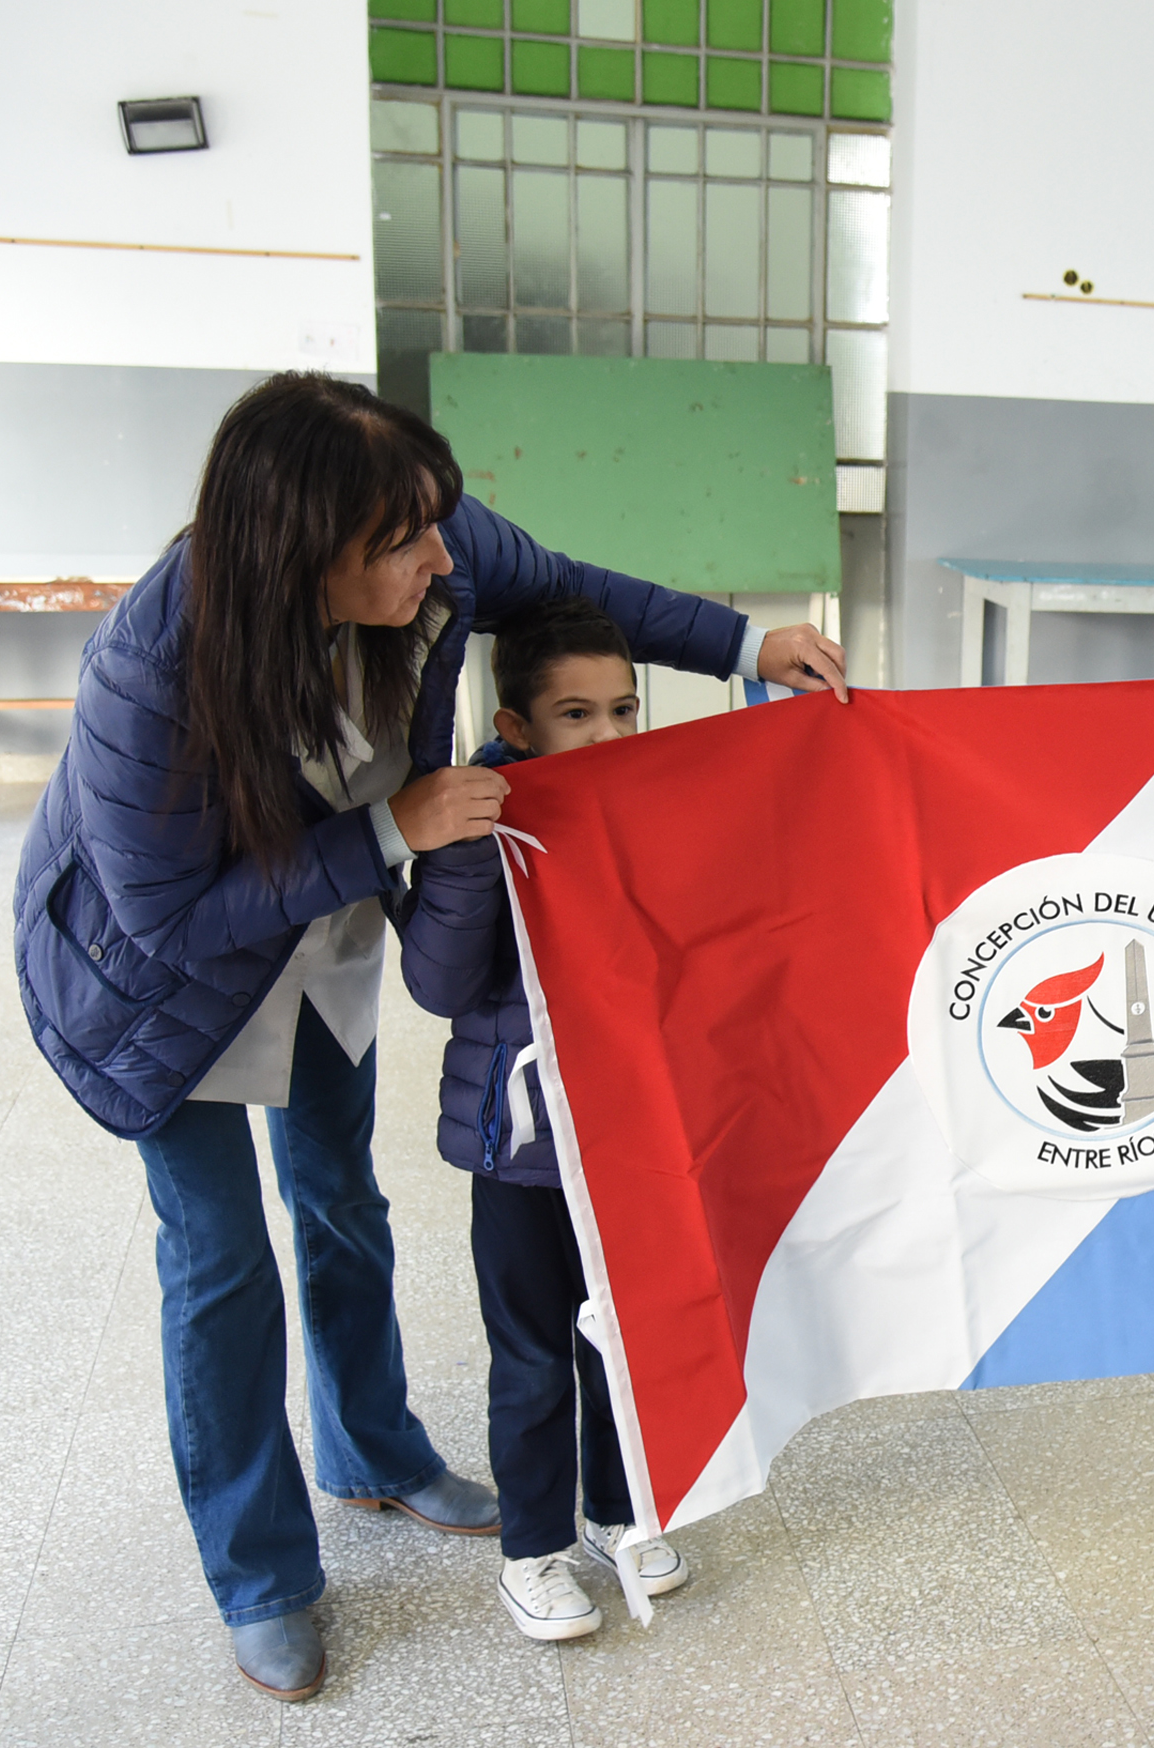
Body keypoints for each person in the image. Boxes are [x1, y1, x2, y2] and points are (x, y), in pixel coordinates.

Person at [12, 373, 847, 1700]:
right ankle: (261, 1571)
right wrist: (391, 832)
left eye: (433, 523)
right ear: (302, 552)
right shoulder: (153, 666)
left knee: (341, 1197)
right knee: (223, 1264)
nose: (439, 557)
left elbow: (571, 586)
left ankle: (374, 1451)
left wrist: (745, 649)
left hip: (315, 938)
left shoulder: (432, 549)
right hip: (157, 995)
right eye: (399, 543)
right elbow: (166, 920)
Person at [396, 597, 685, 1642]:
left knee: (624, 1337)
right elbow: (436, 984)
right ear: (517, 725)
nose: (606, 734)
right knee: (532, 1351)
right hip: (518, 1149)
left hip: (627, 1139)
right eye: (575, 713)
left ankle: (616, 1511)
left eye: (622, 708)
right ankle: (532, 1549)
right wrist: (472, 857)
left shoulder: (646, 804)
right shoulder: (472, 819)